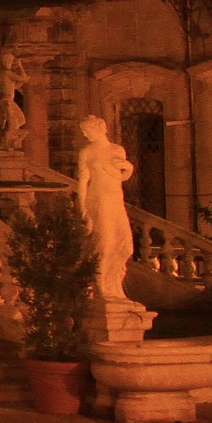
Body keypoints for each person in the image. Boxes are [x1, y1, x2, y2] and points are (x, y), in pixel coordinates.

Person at [76, 116, 137, 304]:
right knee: (106, 243)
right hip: (98, 199)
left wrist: (128, 168)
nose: (85, 134)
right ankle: (100, 287)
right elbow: (82, 182)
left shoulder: (117, 150)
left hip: (115, 199)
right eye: (83, 131)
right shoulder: (86, 152)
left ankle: (114, 286)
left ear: (100, 128)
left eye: (87, 130)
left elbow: (122, 175)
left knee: (126, 245)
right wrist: (83, 210)